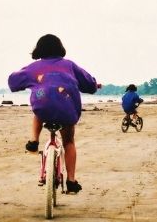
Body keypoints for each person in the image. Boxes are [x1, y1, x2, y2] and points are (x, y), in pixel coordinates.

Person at [8, 34, 99, 194]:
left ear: (39, 50)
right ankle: (71, 180)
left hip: (43, 108)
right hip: (67, 109)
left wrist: (27, 82)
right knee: (69, 141)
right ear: (60, 48)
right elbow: (89, 83)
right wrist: (93, 86)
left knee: (39, 108)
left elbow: (13, 81)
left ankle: (34, 140)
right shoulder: (69, 65)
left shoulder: (33, 67)